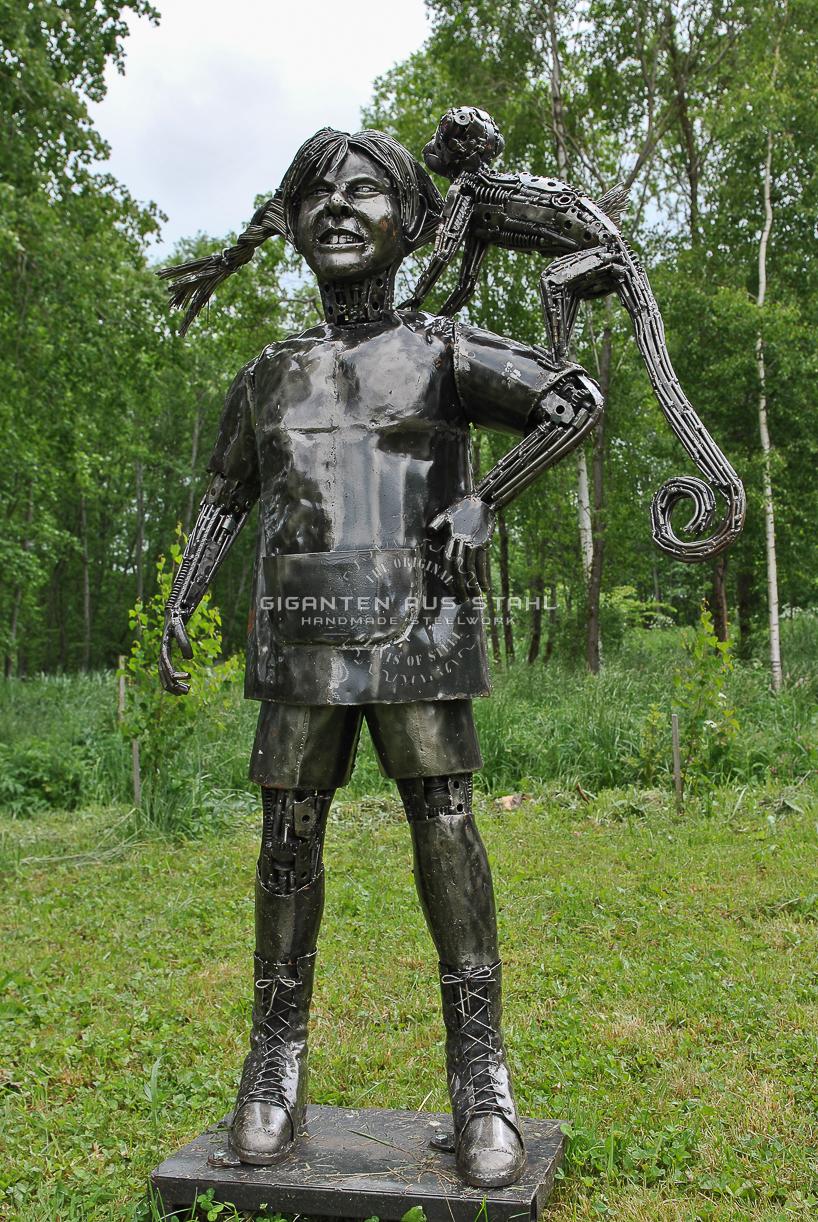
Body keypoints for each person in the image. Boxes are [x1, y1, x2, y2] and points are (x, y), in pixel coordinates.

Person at [158, 126, 602, 1189]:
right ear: (292, 225)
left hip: (418, 629)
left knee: (444, 825)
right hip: (299, 629)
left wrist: (483, 501)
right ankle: (273, 1062)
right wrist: (179, 597)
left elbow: (571, 400)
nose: (339, 209)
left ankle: (480, 1071)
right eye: (319, 194)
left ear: (411, 220)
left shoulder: (443, 351)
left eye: (364, 191)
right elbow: (225, 494)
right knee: (286, 834)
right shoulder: (270, 374)